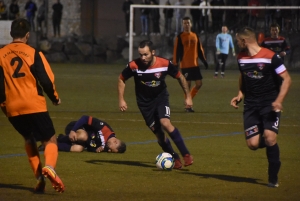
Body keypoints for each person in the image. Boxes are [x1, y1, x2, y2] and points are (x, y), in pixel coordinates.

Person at [0, 18, 64, 193]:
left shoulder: (0, 54)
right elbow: (46, 79)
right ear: (28, 35)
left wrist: (4, 106)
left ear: (11, 34)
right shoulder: (33, 53)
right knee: (50, 139)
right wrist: (55, 97)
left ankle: (39, 180)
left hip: (13, 107)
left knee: (29, 138)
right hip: (33, 104)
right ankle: (50, 166)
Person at [230, 27, 291, 188]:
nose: (237, 44)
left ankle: (273, 178)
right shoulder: (241, 58)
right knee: (253, 145)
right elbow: (243, 77)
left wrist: (279, 100)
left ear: (244, 41)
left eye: (238, 41)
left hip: (270, 104)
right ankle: (265, 139)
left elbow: (287, 79)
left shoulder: (271, 57)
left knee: (270, 138)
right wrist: (240, 94)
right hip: (251, 105)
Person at [118, 40, 194, 169]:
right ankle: (175, 158)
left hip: (160, 99)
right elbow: (121, 78)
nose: (143, 58)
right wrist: (121, 99)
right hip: (144, 104)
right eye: (141, 55)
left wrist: (188, 96)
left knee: (165, 123)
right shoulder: (133, 65)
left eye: (146, 54)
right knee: (159, 135)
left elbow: (180, 77)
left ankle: (186, 154)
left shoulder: (164, 63)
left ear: (153, 52)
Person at [173, 16, 208, 112]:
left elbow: (200, 49)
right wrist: (175, 63)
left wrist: (204, 61)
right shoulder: (180, 37)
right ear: (182, 25)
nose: (186, 25)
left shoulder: (195, 35)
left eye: (188, 23)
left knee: (199, 83)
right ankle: (188, 106)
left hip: (195, 64)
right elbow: (176, 50)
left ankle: (188, 100)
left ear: (191, 24)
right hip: (185, 64)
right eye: (184, 23)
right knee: (187, 85)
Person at [39, 115, 127, 153]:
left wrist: (95, 150)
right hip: (76, 128)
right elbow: (85, 118)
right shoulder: (105, 129)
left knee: (78, 149)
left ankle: (49, 145)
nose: (108, 151)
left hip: (82, 141)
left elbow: (90, 147)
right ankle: (60, 138)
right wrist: (73, 130)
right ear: (115, 142)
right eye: (111, 150)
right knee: (83, 136)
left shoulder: (105, 147)